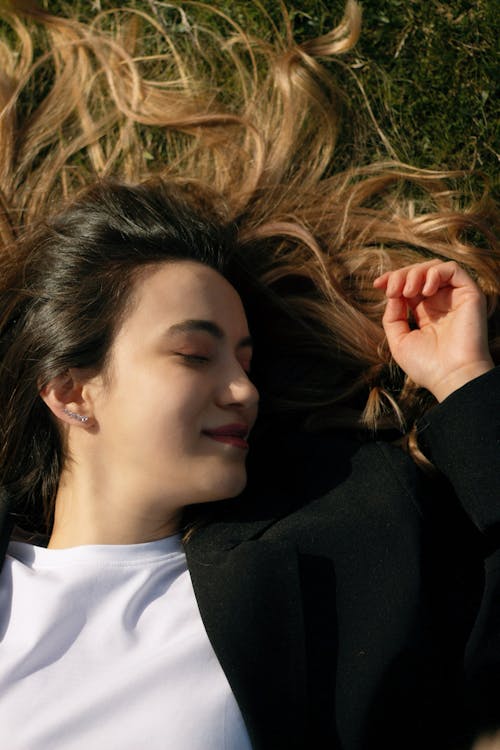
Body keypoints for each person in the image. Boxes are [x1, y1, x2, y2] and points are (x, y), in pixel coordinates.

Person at [0, 2, 499, 749]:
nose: (243, 391)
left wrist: (465, 382)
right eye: (195, 354)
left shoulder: (348, 540)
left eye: (244, 360)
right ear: (71, 389)